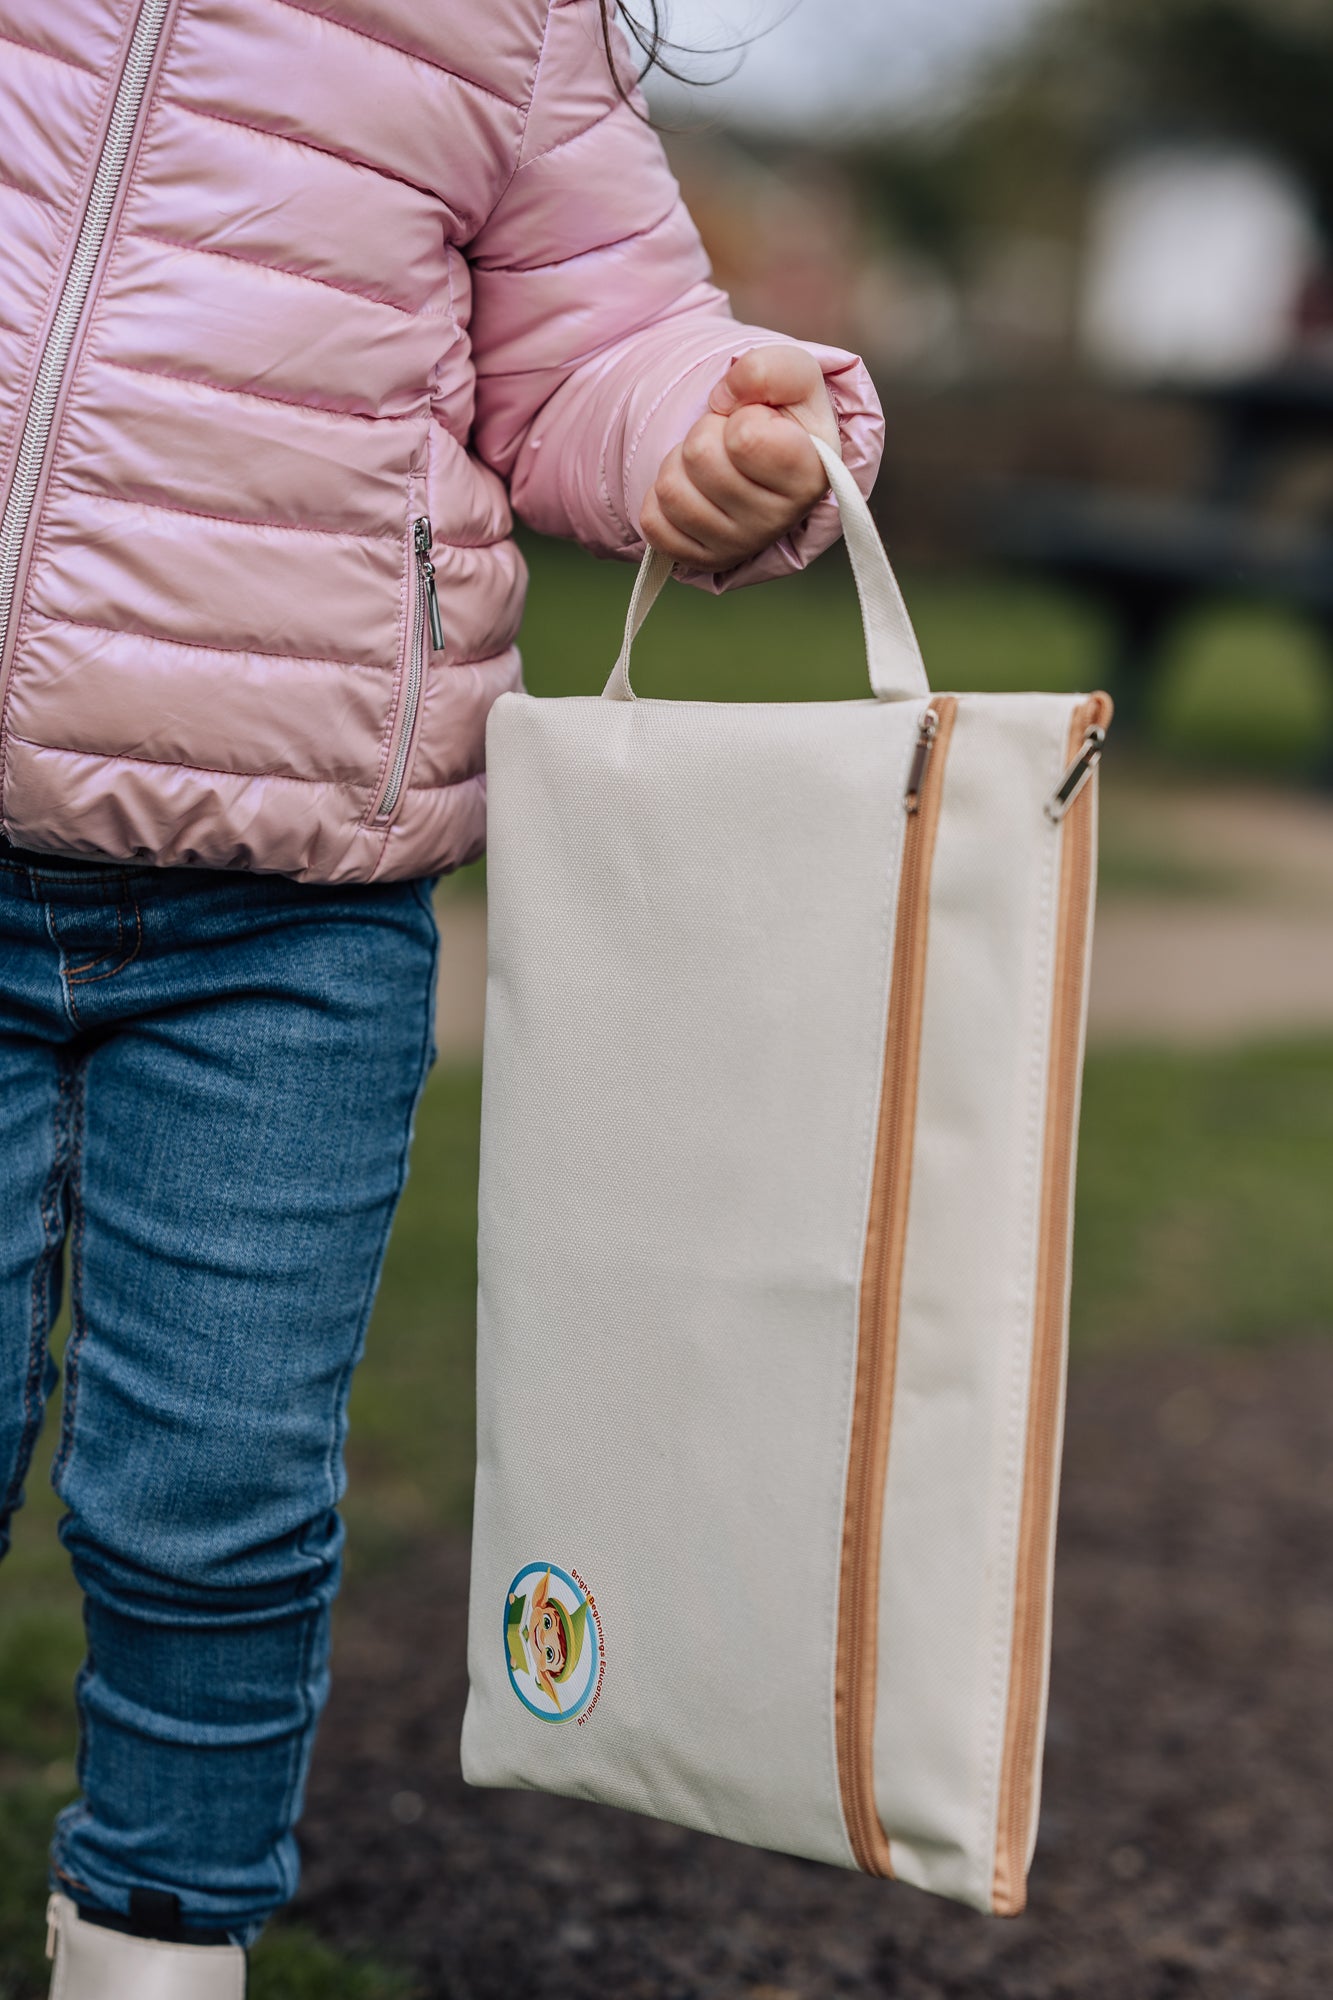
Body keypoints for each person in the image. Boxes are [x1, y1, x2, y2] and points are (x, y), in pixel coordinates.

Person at [0, 2, 885, 1991]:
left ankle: (156, 1938)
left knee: (217, 1483)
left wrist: (713, 425)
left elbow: (589, 344)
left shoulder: (497, 25)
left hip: (293, 910)